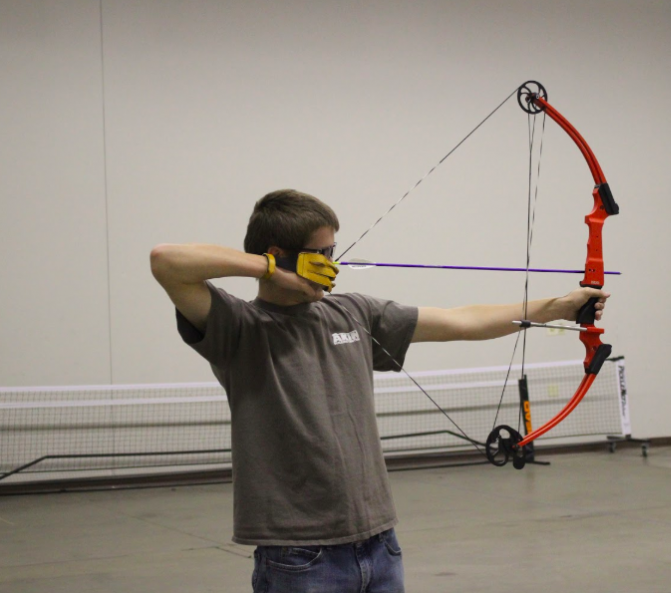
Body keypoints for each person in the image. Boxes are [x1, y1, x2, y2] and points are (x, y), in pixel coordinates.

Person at [149, 189, 609, 593]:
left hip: (379, 541)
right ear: (278, 255)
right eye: (320, 254)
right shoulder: (239, 327)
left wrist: (558, 307)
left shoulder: (352, 312)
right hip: (298, 553)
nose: (333, 264)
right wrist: (271, 270)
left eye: (334, 250)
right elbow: (166, 260)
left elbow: (461, 321)